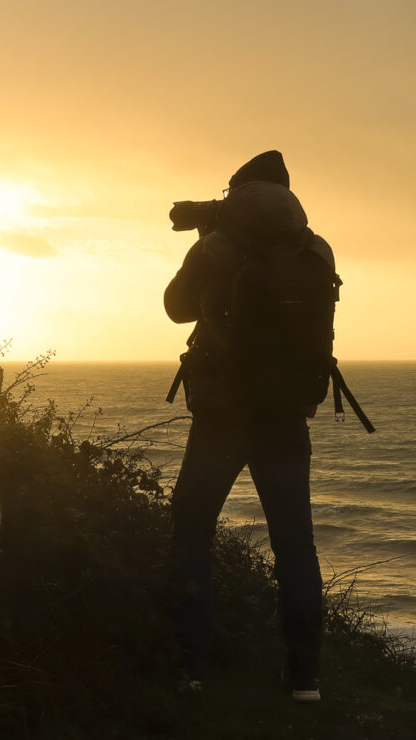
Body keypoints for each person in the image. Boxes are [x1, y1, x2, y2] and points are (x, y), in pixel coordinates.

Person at [164, 151, 327, 702]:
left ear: (236, 195)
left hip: (222, 413)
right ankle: (304, 678)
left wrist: (207, 248)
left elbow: (175, 308)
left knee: (191, 530)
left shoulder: (220, 245)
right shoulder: (313, 248)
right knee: (295, 545)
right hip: (286, 413)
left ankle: (186, 664)